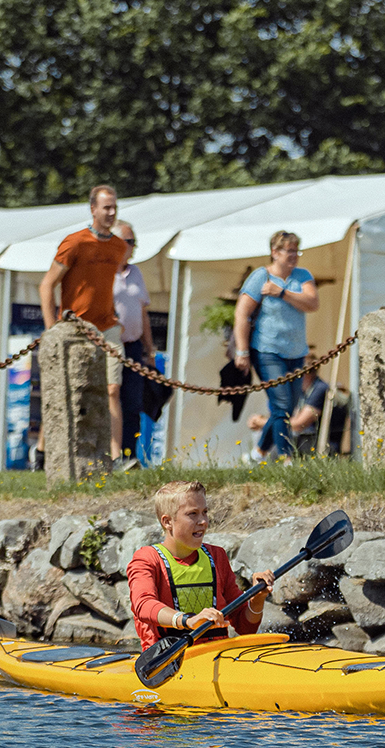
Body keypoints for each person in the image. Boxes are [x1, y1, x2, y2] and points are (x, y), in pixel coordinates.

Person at [125, 480, 276, 650]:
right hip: (166, 664)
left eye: (204, 512)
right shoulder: (147, 559)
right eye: (193, 514)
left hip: (216, 657)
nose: (203, 521)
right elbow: (143, 605)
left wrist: (257, 599)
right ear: (167, 522)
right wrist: (187, 621)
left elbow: (245, 628)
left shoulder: (217, 556)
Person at [39, 186, 132, 454]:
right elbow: (47, 285)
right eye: (106, 207)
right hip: (75, 327)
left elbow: (102, 286)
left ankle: (116, 456)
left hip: (107, 327)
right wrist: (51, 330)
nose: (111, 213)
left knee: (112, 390)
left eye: (114, 207)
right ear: (93, 209)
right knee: (65, 391)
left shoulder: (118, 247)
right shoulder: (75, 242)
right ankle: (42, 451)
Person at [234, 230, 320, 460]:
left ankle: (257, 453)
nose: (294, 256)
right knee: (281, 402)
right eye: (289, 251)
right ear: (275, 252)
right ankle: (286, 458)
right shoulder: (260, 277)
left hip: (296, 351)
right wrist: (242, 351)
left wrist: (282, 293)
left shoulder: (302, 276)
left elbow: (312, 303)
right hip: (267, 350)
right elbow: (242, 314)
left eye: (296, 251)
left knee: (287, 407)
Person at [111, 221, 151, 468]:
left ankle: (129, 456)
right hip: (110, 346)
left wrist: (149, 348)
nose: (134, 247)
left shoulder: (136, 273)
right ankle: (112, 456)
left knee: (133, 403)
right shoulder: (104, 273)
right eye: (130, 241)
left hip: (134, 346)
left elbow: (143, 312)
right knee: (111, 397)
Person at [248, 348, 329, 459]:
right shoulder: (302, 391)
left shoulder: (319, 389)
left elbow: (299, 424)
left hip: (310, 442)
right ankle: (258, 456)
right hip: (299, 439)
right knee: (265, 430)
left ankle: (264, 456)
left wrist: (262, 422)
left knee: (274, 432)